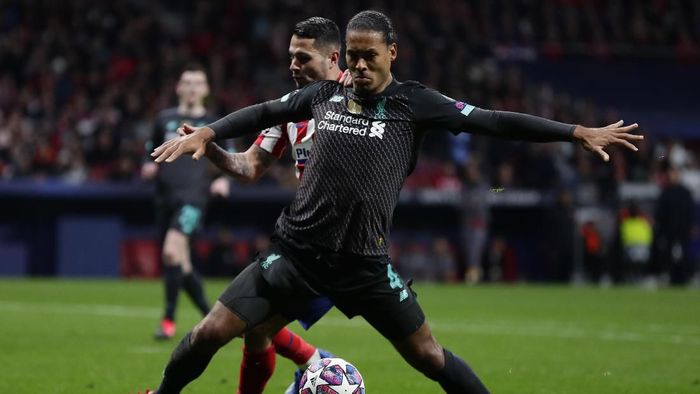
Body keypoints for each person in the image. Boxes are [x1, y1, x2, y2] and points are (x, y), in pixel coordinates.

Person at [148, 10, 642, 393]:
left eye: (370, 56)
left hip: (364, 263)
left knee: (429, 356)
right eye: (354, 55)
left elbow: (494, 120)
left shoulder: (416, 104)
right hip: (297, 254)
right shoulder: (321, 96)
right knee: (213, 331)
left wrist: (574, 131)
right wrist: (209, 134)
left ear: (392, 53)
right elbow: (263, 111)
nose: (361, 65)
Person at [197, 17, 347, 394]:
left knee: (423, 351)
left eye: (302, 57)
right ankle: (313, 360)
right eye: (290, 57)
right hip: (308, 242)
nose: (293, 65)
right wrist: (211, 148)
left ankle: (315, 362)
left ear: (334, 58)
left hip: (347, 246)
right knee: (255, 328)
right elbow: (249, 166)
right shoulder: (289, 110)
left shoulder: (363, 98)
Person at [140, 65, 231, 340]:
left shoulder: (214, 124)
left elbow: (234, 155)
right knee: (182, 263)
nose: (192, 88)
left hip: (193, 198)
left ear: (205, 90)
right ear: (178, 88)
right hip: (164, 199)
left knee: (171, 252)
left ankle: (168, 320)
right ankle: (212, 318)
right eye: (187, 83)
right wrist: (148, 165)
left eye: (197, 83)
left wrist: (226, 180)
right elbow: (150, 149)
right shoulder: (164, 119)